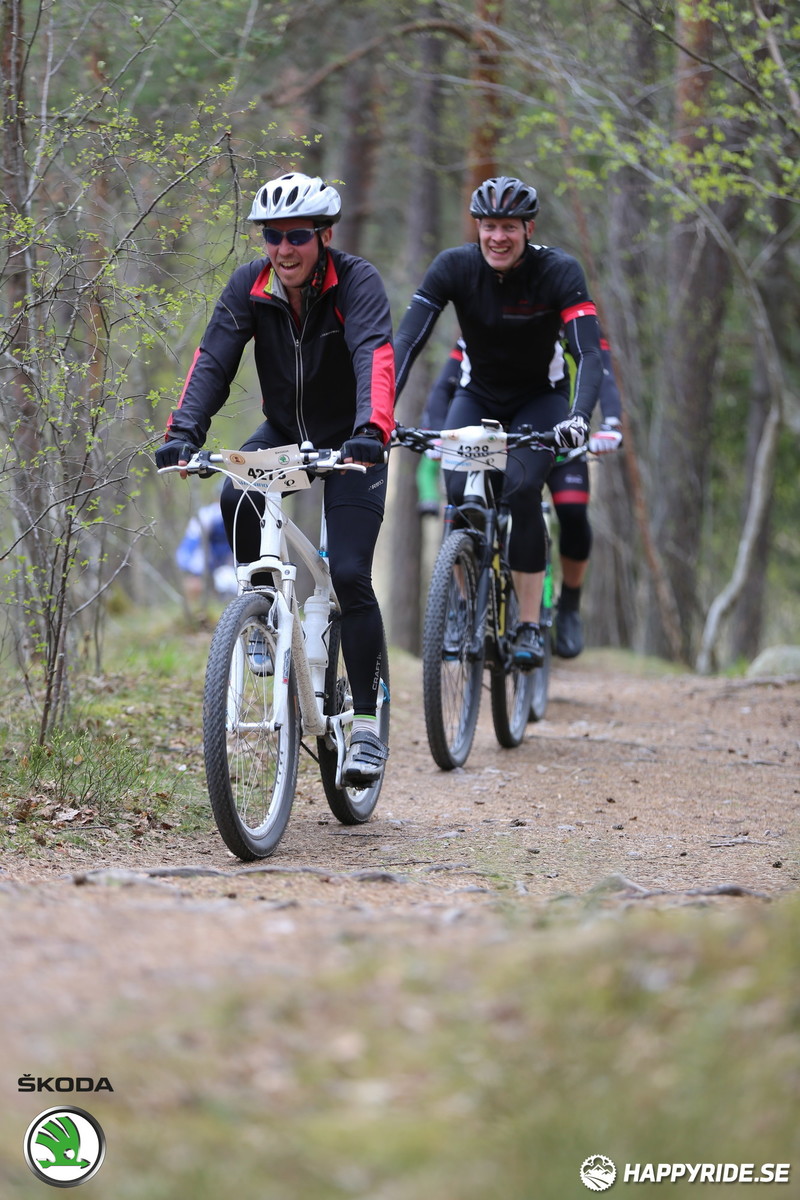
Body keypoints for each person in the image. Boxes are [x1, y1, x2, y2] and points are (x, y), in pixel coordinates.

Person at [155, 172, 395, 785]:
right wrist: (183, 434)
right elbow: (212, 359)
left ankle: (366, 728)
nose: (283, 249)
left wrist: (372, 428)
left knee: (348, 574)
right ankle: (259, 619)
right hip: (284, 433)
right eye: (271, 237)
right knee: (234, 490)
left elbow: (375, 353)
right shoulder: (250, 285)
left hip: (352, 441)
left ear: (323, 235)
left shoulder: (356, 282)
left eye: (295, 236)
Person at [394, 175, 603, 668]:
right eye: (489, 226)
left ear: (528, 228)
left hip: (541, 400)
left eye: (509, 226)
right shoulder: (454, 267)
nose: (498, 237)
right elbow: (405, 344)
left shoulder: (559, 271)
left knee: (522, 491)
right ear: (478, 228)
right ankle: (465, 605)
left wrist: (578, 417)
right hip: (478, 396)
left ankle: (530, 623)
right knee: (458, 494)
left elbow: (589, 354)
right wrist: (377, 413)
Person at [422, 333, 623, 658]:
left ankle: (569, 603)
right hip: (511, 437)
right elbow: (447, 383)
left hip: (563, 439)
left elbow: (604, 376)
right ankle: (466, 600)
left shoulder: (574, 322)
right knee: (468, 502)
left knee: (572, 512)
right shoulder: (489, 320)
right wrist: (432, 429)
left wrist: (611, 423)